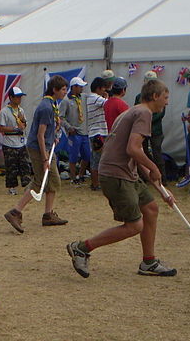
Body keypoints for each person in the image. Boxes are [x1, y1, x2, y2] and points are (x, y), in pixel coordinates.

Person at [66, 79, 177, 278]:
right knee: (134, 225)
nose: (167, 102)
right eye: (166, 97)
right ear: (155, 96)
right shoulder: (144, 113)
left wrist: (160, 188)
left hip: (126, 174)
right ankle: (82, 248)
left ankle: (149, 262)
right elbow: (133, 149)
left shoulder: (133, 111)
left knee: (150, 209)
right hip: (117, 174)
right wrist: (155, 168)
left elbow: (136, 151)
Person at [3, 75, 69, 233]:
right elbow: (40, 135)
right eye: (63, 90)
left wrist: (54, 135)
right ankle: (15, 212)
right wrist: (45, 158)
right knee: (40, 182)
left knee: (53, 180)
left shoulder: (52, 105)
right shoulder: (46, 107)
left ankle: (48, 214)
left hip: (45, 146)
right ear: (55, 90)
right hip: (39, 149)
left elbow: (46, 133)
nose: (65, 92)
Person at [134, 70, 168, 186]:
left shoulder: (161, 96)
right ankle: (146, 177)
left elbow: (161, 113)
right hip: (142, 131)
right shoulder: (139, 97)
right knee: (142, 152)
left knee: (157, 152)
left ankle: (162, 178)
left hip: (155, 130)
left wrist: (148, 120)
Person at [0, 86, 32, 195]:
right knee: (11, 166)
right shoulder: (4, 111)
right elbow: (1, 127)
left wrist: (22, 122)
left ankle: (27, 185)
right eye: (17, 97)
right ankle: (11, 187)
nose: (19, 99)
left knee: (25, 164)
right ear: (11, 97)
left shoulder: (21, 110)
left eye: (20, 97)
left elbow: (24, 124)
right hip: (9, 142)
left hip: (21, 141)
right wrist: (15, 129)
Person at [60, 76, 91, 185]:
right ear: (74, 87)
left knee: (87, 155)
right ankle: (73, 177)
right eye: (80, 86)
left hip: (85, 132)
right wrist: (69, 127)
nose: (82, 89)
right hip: (74, 133)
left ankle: (81, 174)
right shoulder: (66, 101)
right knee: (73, 156)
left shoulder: (84, 97)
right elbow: (61, 117)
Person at [86, 76, 109, 191]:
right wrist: (107, 97)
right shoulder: (95, 98)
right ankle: (96, 184)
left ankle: (95, 183)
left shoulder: (91, 98)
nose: (105, 91)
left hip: (95, 132)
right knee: (98, 159)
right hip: (98, 133)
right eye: (104, 88)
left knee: (96, 158)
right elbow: (109, 104)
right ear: (99, 88)